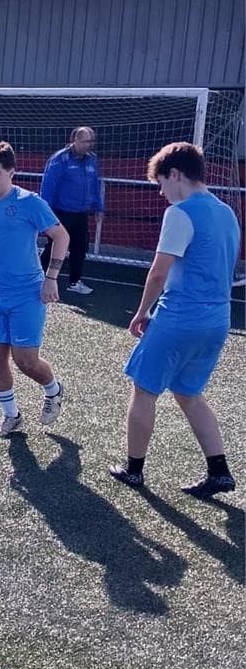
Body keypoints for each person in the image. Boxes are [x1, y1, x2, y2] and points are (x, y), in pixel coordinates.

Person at [109, 141, 237, 498]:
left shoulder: (181, 213)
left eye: (162, 184)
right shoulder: (227, 211)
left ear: (175, 175)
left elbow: (158, 273)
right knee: (189, 393)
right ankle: (219, 471)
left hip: (181, 317)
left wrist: (142, 311)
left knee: (144, 388)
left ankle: (134, 470)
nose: (162, 193)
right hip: (217, 319)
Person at [0, 141, 70, 437]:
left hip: (27, 293)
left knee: (25, 361)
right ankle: (11, 416)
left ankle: (54, 389)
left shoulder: (30, 202)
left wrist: (51, 277)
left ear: (12, 172)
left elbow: (61, 236)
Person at [40, 126, 104, 295]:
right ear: (74, 141)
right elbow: (48, 186)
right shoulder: (60, 159)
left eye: (90, 141)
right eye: (84, 141)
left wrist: (98, 206)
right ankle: (38, 276)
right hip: (61, 212)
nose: (88, 145)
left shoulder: (91, 160)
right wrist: (46, 211)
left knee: (80, 247)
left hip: (81, 213)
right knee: (54, 245)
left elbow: (95, 185)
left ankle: (74, 281)